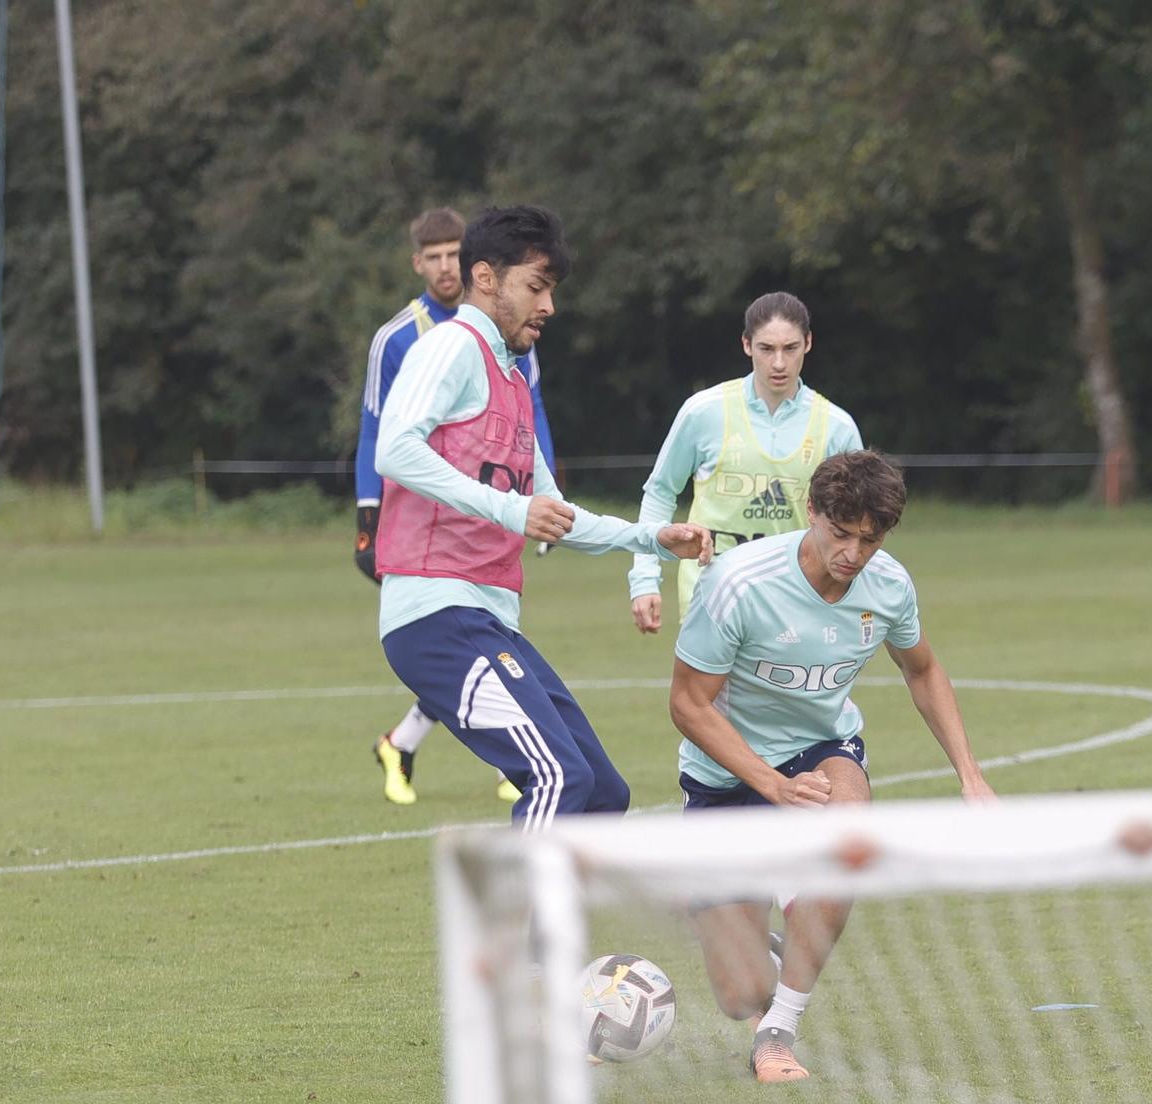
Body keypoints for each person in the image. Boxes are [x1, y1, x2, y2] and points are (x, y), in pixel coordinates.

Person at [374, 204, 711, 827]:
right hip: (435, 614)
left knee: (603, 792)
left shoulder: (512, 376)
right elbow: (394, 449)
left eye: (551, 289)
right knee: (559, 775)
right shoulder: (451, 345)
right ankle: (515, 929)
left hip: (489, 620)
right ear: (485, 277)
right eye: (536, 286)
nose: (549, 306)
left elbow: (554, 515)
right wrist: (510, 507)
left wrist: (653, 539)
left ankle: (551, 924)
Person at [669, 451, 992, 1082]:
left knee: (848, 832)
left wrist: (970, 776)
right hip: (727, 773)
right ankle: (764, 940)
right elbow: (687, 704)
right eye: (840, 534)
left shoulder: (889, 585)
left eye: (868, 541)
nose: (852, 553)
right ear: (811, 513)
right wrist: (771, 785)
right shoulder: (739, 583)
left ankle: (778, 1038)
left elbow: (921, 669)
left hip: (821, 749)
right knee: (740, 995)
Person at [354, 207, 556, 805]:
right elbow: (378, 431)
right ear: (420, 264)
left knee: (473, 630)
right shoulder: (402, 338)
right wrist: (368, 512)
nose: (445, 265)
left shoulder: (514, 333)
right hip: (428, 526)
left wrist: (545, 495)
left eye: (452, 252)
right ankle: (508, 750)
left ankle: (411, 741)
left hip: (495, 526)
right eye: (434, 256)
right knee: (447, 625)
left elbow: (531, 417)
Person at [629, 292, 863, 635]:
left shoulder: (836, 426)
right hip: (710, 597)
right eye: (767, 349)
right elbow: (660, 492)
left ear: (809, 343)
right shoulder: (703, 412)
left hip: (798, 602)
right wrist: (645, 578)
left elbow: (857, 524)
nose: (779, 363)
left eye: (790, 348)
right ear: (746, 345)